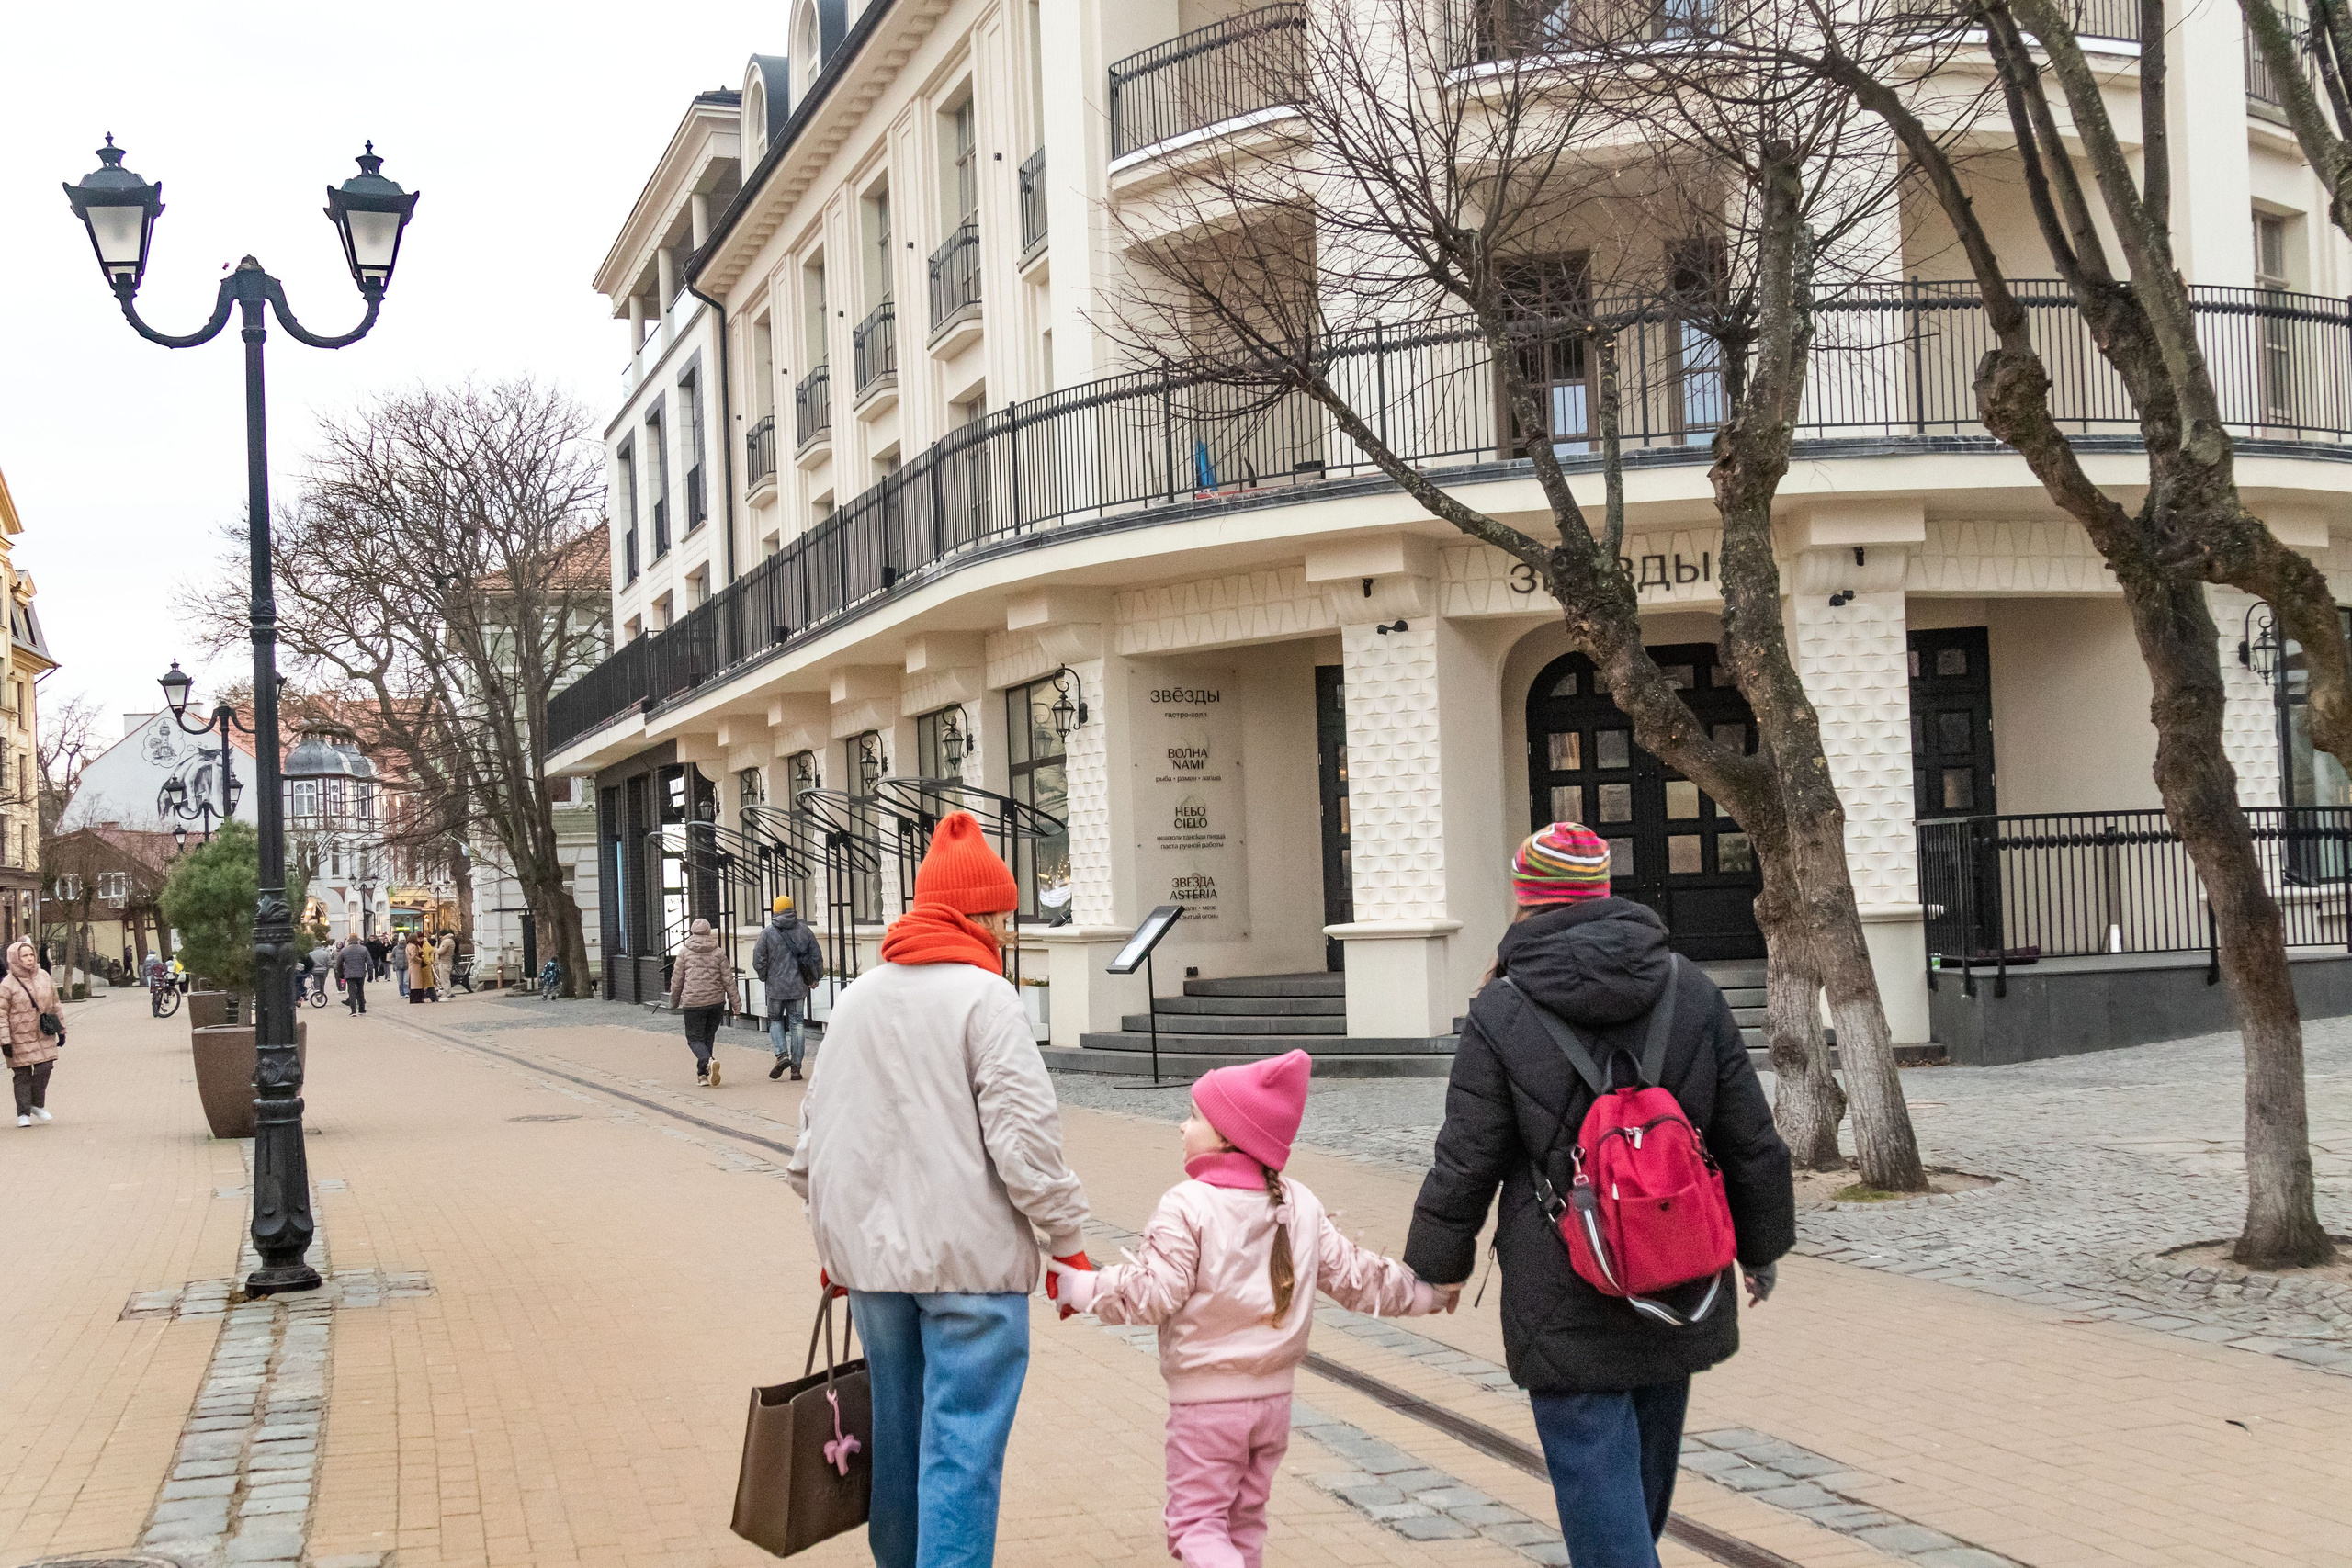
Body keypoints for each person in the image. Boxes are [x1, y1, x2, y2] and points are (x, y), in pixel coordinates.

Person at [1404, 823, 1794, 1568]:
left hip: (1563, 1283)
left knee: (1600, 1497)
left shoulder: (1502, 1008)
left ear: (1526, 897)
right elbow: (1749, 1133)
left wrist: (1438, 1263)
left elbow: (1466, 1155)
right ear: (1605, 892)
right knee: (1637, 1490)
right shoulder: (1691, 987)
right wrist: (1762, 1245)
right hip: (1678, 1269)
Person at [785, 811, 1091, 1568]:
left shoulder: (854, 1000)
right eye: (1003, 916)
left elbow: (810, 1152)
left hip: (875, 1274)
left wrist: (842, 1242)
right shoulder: (987, 1001)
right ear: (977, 912)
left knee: (899, 1438)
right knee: (961, 1450)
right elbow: (1026, 1143)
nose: (1009, 932)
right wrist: (1069, 1245)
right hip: (971, 1268)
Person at [1050, 1050, 1452, 1568]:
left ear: (1225, 1136)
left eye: (1193, 1115)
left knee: (1196, 1527)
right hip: (1273, 1404)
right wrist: (1426, 1294)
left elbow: (1155, 1292)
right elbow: (1356, 1277)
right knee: (1243, 1526)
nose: (1180, 1126)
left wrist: (1082, 1289)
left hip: (1207, 1406)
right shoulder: (1299, 1203)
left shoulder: (1187, 1204)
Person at [752, 894, 823, 1080]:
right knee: (797, 1022)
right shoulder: (805, 930)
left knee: (775, 1019)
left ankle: (782, 1055)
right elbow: (816, 955)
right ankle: (796, 1067)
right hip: (799, 986)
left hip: (775, 987)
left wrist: (764, 975)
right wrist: (816, 977)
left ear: (775, 911)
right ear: (793, 909)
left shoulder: (768, 933)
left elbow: (758, 959)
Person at [5, 936, 65, 1128]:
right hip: (18, 1036)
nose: (30, 959)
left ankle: (36, 1104)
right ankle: (23, 1113)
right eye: (25, 956)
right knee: (22, 1074)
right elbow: (1, 1014)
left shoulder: (44, 977)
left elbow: (55, 1004)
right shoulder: (7, 984)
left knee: (45, 1067)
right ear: (15, 959)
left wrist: (61, 1029)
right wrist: (5, 1040)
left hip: (43, 1032)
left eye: (31, 954)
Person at [669, 917, 731, 1086]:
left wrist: (673, 1001)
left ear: (692, 932)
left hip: (693, 1002)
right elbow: (728, 978)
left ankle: (708, 1061)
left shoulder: (684, 952)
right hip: (716, 1002)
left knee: (695, 1040)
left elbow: (677, 980)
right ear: (709, 932)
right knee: (708, 1037)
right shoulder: (718, 952)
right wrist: (736, 1003)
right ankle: (703, 1075)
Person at [339, 936, 371, 1014]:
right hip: (361, 973)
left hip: (349, 973)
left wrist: (341, 974)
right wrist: (371, 974)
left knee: (351, 991)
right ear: (357, 940)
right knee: (360, 990)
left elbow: (339, 963)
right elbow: (369, 962)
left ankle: (353, 1011)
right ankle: (361, 1008)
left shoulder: (344, 950)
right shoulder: (364, 949)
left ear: (349, 941)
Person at [436, 930, 458, 994]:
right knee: (446, 979)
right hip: (448, 962)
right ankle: (448, 993)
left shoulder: (446, 941)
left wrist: (435, 949)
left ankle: (447, 994)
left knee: (445, 980)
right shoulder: (451, 940)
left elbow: (440, 951)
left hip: (444, 962)